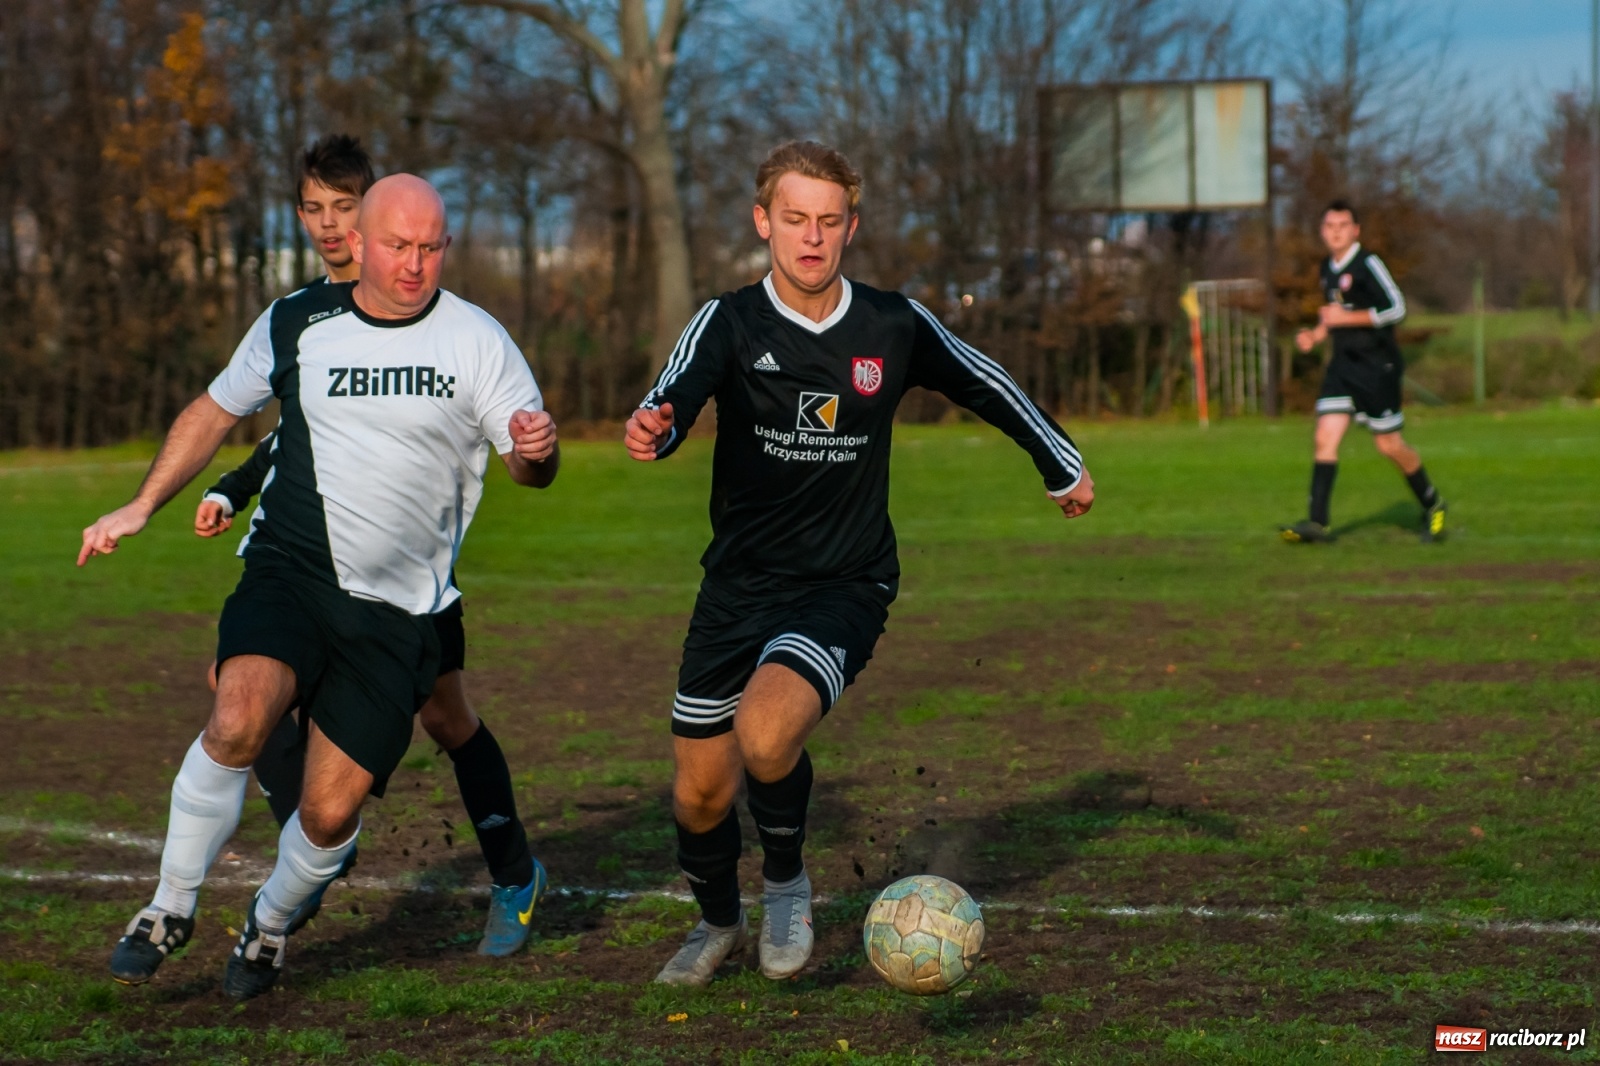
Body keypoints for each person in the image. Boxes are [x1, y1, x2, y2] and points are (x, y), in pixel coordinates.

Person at [624, 141, 1094, 987]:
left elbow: (985, 381)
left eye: (829, 221)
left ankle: (785, 886)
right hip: (737, 586)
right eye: (795, 219)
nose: (812, 238)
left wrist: (1058, 460)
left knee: (766, 734)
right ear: (764, 221)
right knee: (698, 793)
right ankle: (714, 923)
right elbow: (674, 396)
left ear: (853, 226)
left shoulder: (890, 324)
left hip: (845, 582)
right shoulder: (728, 321)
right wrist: (654, 428)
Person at [81, 174, 559, 999]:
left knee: (332, 814)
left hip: (399, 614)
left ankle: (268, 926)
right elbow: (214, 411)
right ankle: (168, 905)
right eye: (399, 247)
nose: (415, 265)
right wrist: (143, 501)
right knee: (234, 714)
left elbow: (529, 468)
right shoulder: (298, 321)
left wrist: (535, 448)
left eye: (431, 247)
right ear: (360, 245)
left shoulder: (478, 340)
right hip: (291, 573)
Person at [195, 137, 544, 958]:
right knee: (237, 681)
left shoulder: (428, 316)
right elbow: (295, 435)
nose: (327, 226)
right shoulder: (312, 312)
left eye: (343, 210)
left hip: (407, 585)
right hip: (313, 570)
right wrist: (231, 487)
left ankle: (513, 874)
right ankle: (308, 841)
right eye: (312, 210)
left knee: (448, 716)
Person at [1281, 200, 1447, 544]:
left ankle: (1432, 503)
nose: (1335, 231)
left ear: (1355, 230)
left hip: (1377, 368)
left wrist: (1349, 319)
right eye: (1329, 226)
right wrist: (1315, 334)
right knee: (1324, 438)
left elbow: (1396, 308)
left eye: (1342, 225)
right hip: (1343, 367)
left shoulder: (1368, 263)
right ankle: (1318, 523)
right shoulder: (1327, 268)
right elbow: (1333, 314)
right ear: (1322, 231)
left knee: (1389, 446)